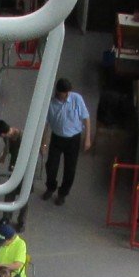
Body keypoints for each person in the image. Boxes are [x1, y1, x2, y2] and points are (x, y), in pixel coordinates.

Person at [42, 77, 92, 205]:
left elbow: (86, 118)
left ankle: (63, 193)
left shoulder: (76, 99)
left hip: (73, 139)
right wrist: (44, 143)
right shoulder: (51, 103)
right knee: (51, 165)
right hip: (57, 138)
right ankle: (51, 186)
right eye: (64, 93)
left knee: (70, 168)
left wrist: (87, 138)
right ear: (59, 92)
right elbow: (46, 125)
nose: (67, 95)